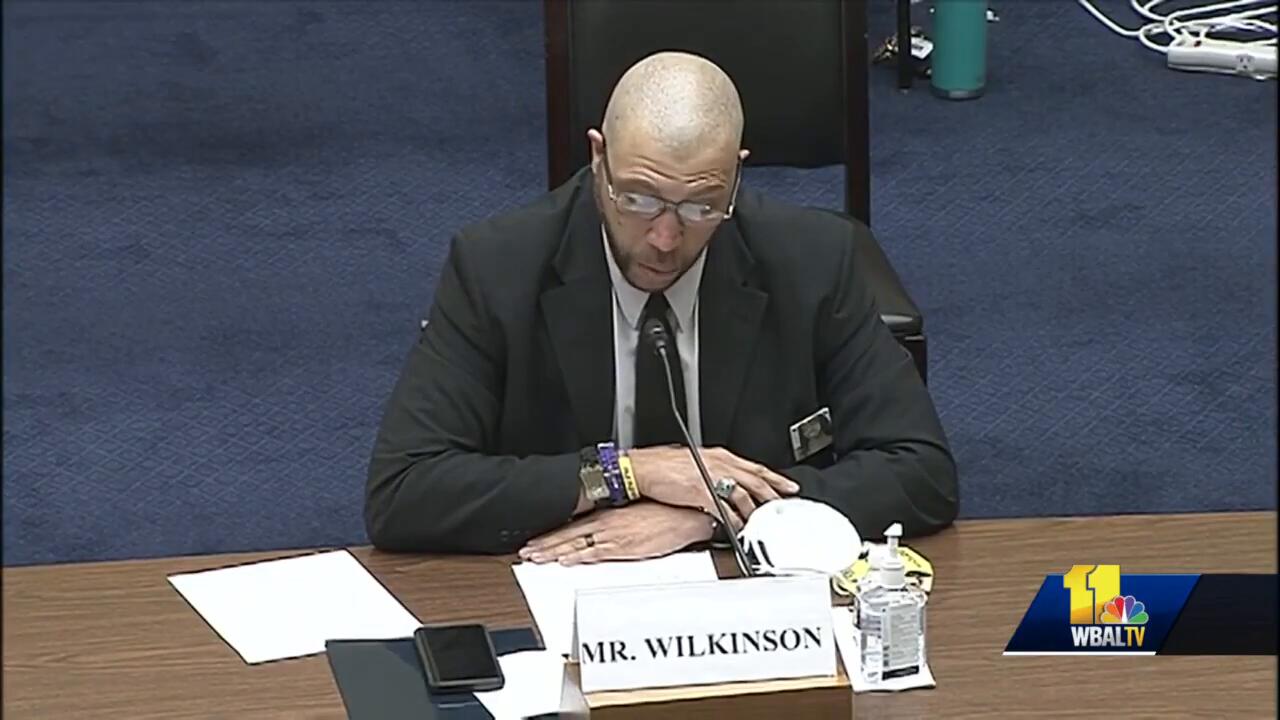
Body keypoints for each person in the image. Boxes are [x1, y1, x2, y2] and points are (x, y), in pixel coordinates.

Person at [365, 51, 957, 565]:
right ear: (598, 158)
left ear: (735, 175)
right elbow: (404, 490)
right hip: (564, 583)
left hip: (746, 599)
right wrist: (627, 473)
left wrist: (716, 514)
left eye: (702, 206)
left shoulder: (811, 260)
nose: (666, 238)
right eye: (639, 198)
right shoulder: (498, 268)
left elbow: (921, 472)